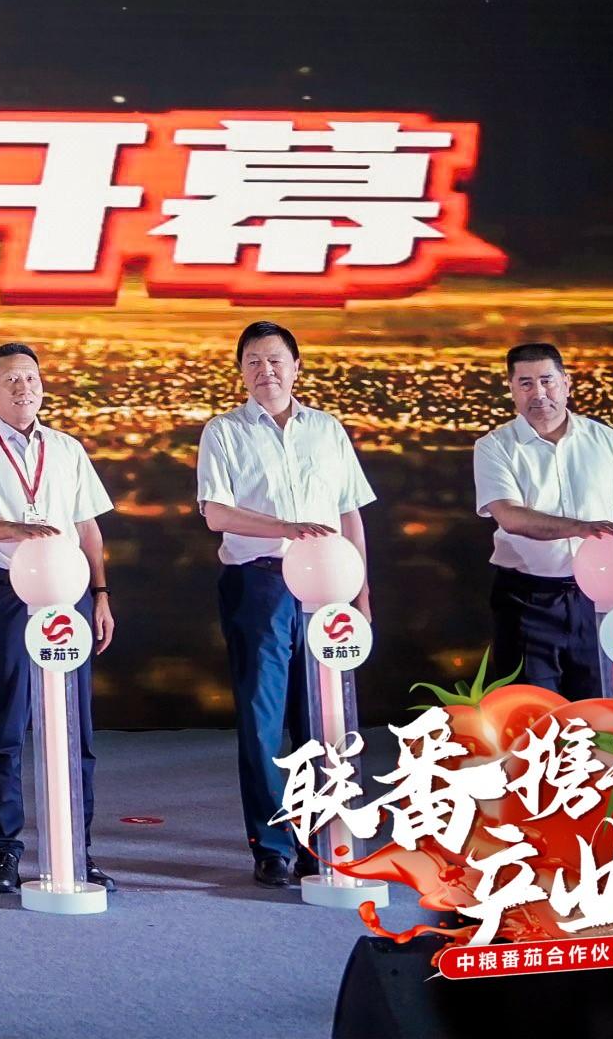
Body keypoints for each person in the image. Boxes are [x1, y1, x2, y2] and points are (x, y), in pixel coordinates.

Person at [193, 320, 375, 888]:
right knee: (262, 719)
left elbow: (349, 511)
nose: (265, 371)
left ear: (297, 367)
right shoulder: (224, 432)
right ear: (240, 371)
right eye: (253, 361)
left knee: (323, 718)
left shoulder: (327, 430)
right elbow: (216, 513)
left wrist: (361, 593)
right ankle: (271, 845)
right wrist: (286, 528)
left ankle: (322, 841)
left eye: (275, 360)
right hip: (259, 583)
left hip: (328, 587)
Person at [0, 341, 117, 897]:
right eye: (10, 379)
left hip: (68, 595)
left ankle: (76, 847)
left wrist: (101, 592)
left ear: (42, 385)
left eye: (30, 378)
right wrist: (19, 530)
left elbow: (88, 528)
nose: (22, 387)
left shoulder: (66, 448)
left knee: (75, 727)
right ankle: (5, 850)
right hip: (7, 592)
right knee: (8, 725)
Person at [471, 340, 613, 698]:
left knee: (601, 703)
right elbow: (510, 517)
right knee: (532, 709)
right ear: (511, 389)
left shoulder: (605, 440)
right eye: (525, 383)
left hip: (598, 597)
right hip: (527, 599)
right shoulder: (494, 446)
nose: (538, 393)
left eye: (547, 380)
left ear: (566, 383)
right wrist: (582, 528)